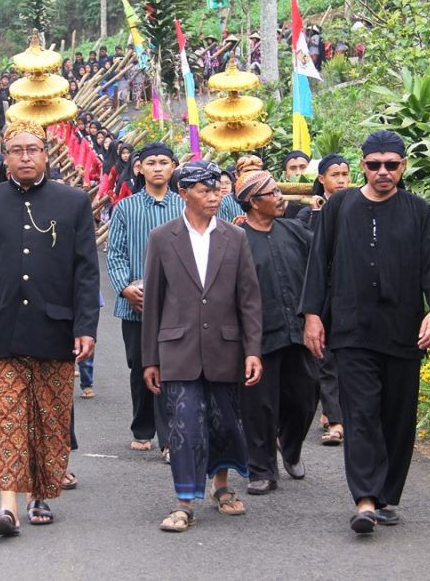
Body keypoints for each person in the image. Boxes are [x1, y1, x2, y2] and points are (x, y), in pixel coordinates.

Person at [301, 130, 430, 535]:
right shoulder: (340, 207)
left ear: (403, 166)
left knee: (398, 418)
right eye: (373, 165)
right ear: (362, 165)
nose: (383, 172)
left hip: (403, 331)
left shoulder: (418, 210)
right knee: (362, 415)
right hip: (351, 329)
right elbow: (319, 264)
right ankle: (365, 500)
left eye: (392, 165)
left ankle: (387, 496)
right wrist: (312, 315)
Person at [0, 119, 100, 536]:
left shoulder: (72, 202)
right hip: (0, 330)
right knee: (6, 417)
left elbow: (86, 272)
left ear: (45, 154)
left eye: (32, 149)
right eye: (17, 149)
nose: (25, 156)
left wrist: (86, 326)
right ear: (5, 155)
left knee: (51, 418)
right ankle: (8, 506)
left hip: (55, 330)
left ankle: (41, 493)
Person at [141, 159, 263, 533]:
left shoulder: (235, 236)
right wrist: (150, 359)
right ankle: (184, 502)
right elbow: (154, 302)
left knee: (224, 420)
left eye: (217, 190)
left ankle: (222, 487)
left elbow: (249, 299)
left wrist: (253, 349)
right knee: (185, 423)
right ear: (185, 193)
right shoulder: (163, 237)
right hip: (177, 348)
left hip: (225, 347)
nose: (214, 197)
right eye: (205, 190)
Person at [232, 158, 318, 495]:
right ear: (254, 202)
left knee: (306, 395)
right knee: (258, 406)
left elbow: (319, 266)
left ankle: (290, 446)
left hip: (297, 332)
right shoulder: (236, 239)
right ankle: (261, 470)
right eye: (273, 193)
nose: (281, 197)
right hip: (257, 339)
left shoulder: (295, 230)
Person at [106, 143, 180, 458]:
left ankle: (170, 437)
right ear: (140, 168)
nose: (158, 167)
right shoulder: (126, 208)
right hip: (135, 304)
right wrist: (125, 288)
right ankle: (142, 425)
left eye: (164, 162)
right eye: (151, 162)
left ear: (174, 167)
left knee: (172, 366)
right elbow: (116, 253)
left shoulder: (185, 206)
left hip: (178, 304)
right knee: (139, 365)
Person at [299, 153, 351, 447]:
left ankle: (344, 414)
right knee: (325, 358)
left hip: (351, 292)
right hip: (321, 291)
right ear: (322, 179)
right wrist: (318, 215)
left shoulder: (357, 206)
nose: (341, 180)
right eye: (335, 175)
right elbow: (310, 249)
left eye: (345, 174)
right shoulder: (308, 212)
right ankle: (335, 420)